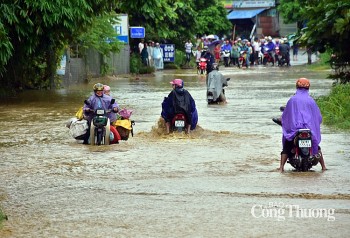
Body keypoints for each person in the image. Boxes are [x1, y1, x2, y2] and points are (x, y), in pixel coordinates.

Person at [278, 78, 327, 172]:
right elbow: (318, 117)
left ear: (297, 87)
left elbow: (286, 115)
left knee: (287, 145)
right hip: (309, 128)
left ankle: (281, 168)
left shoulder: (292, 100)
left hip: (295, 128)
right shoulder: (311, 101)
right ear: (308, 88)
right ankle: (323, 167)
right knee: (316, 144)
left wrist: (282, 120)